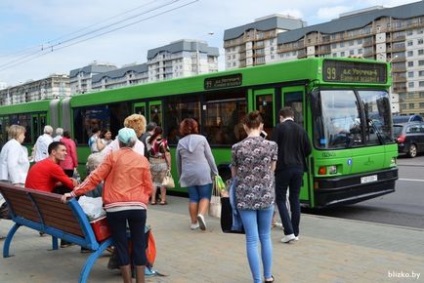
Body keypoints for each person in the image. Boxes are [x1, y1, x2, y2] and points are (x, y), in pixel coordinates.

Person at [62, 128, 153, 283]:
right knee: (138, 244)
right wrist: (142, 199)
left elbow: (94, 178)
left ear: (119, 142)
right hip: (138, 208)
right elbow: (148, 186)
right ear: (133, 142)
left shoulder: (112, 157)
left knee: (121, 244)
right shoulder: (142, 160)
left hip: (115, 208)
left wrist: (73, 193)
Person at [231, 111, 277, 283]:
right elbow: (272, 170)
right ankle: (268, 276)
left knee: (251, 239)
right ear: (261, 126)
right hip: (266, 195)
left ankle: (257, 280)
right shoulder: (272, 145)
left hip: (245, 197)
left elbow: (235, 175)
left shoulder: (236, 148)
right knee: (265, 236)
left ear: (244, 127)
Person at [25, 141, 78, 247]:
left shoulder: (42, 163)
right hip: (43, 206)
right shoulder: (54, 167)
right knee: (77, 202)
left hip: (32, 205)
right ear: (53, 152)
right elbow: (73, 187)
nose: (66, 153)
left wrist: (66, 181)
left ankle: (66, 240)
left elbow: (46, 181)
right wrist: (75, 182)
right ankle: (72, 241)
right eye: (62, 150)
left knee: (63, 191)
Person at [272, 106, 311, 243]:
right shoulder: (301, 129)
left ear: (281, 116)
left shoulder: (279, 128)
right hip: (299, 168)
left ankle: (288, 232)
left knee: (281, 199)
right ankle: (296, 232)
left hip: (283, 168)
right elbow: (308, 149)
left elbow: (273, 149)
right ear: (293, 116)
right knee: (295, 199)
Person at [176, 118, 218, 231]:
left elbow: (178, 161)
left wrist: (181, 176)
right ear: (195, 127)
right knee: (205, 196)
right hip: (203, 172)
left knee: (193, 198)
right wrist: (215, 172)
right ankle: (201, 215)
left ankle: (194, 222)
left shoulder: (180, 143)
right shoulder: (202, 139)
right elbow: (210, 157)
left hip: (188, 173)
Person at [146, 126, 171, 205]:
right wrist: (169, 165)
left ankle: (153, 200)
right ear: (161, 132)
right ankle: (163, 200)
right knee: (162, 182)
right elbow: (167, 154)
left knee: (154, 182)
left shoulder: (149, 140)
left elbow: (148, 150)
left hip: (152, 162)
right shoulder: (164, 141)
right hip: (162, 162)